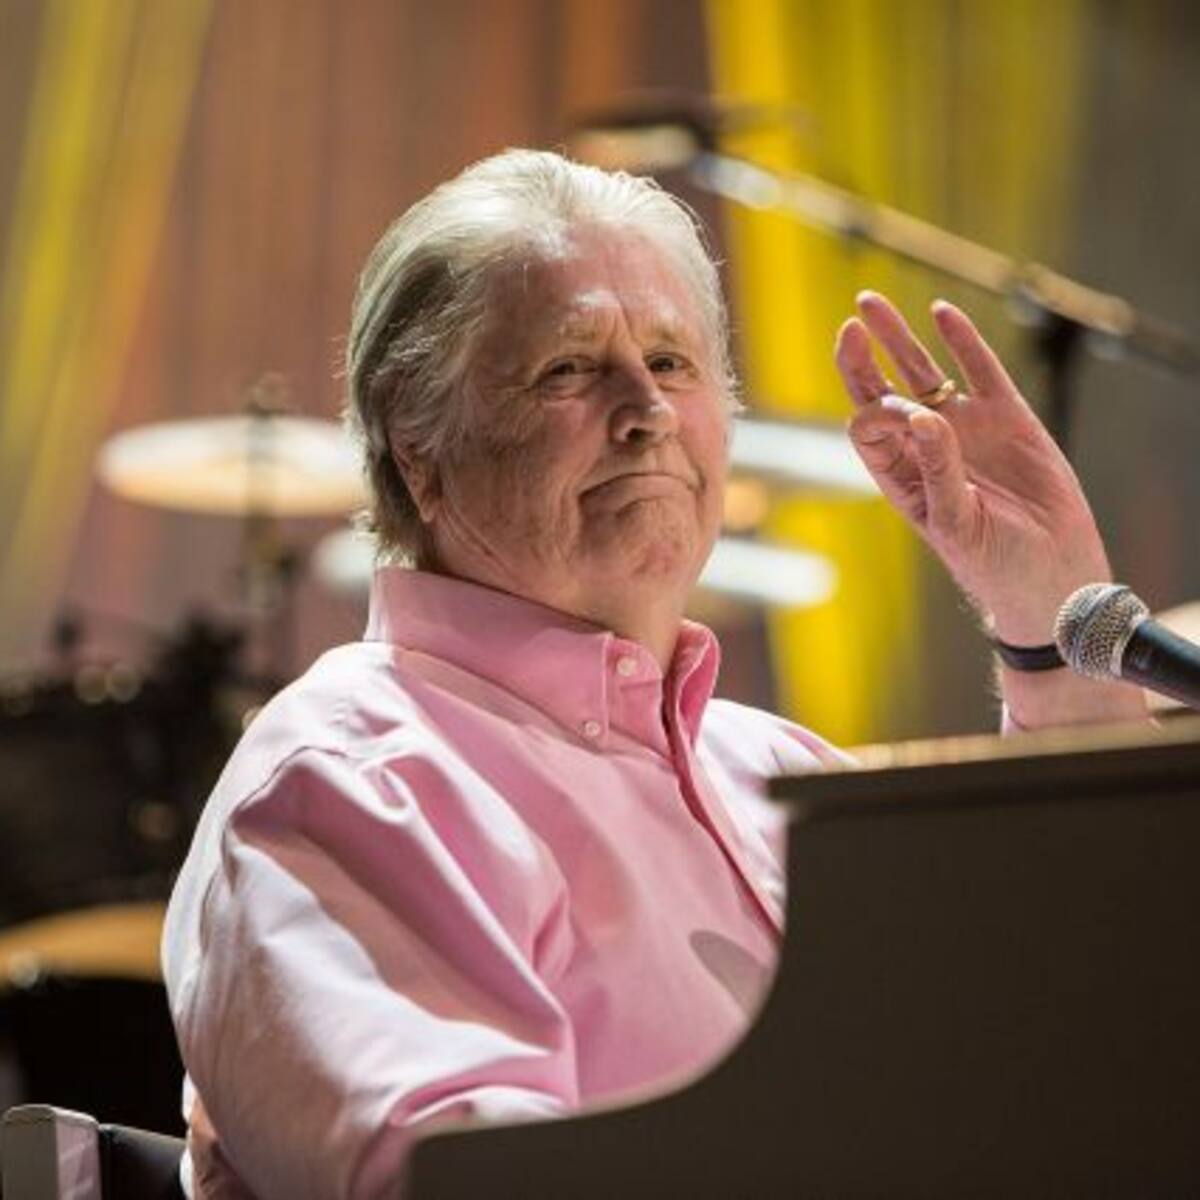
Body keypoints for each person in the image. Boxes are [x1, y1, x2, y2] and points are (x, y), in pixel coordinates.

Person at [162, 148, 1147, 1200]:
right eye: (568, 370)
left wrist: (1049, 619)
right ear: (419, 447)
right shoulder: (351, 772)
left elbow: (1066, 1037)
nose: (649, 411)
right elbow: (458, 1180)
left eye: (673, 363)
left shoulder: (783, 771)